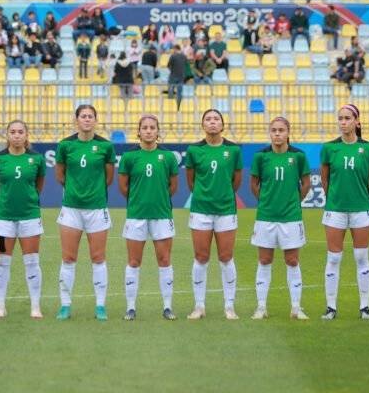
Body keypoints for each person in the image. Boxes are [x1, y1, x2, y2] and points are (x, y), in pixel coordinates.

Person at [55, 105, 116, 321]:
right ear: (76, 120)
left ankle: (100, 305)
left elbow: (109, 178)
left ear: (96, 120)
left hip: (97, 209)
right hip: (71, 209)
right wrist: (76, 192)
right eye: (83, 116)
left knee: (98, 257)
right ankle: (65, 305)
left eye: (91, 116)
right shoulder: (65, 145)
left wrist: (93, 193)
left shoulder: (105, 146)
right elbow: (60, 175)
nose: (87, 120)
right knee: (68, 257)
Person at [182, 110, 242, 320]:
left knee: (226, 257)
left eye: (216, 119)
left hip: (226, 210)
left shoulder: (233, 150)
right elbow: (191, 181)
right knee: (201, 257)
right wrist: (204, 195)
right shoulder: (194, 150)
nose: (212, 122)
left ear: (222, 124)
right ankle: (199, 306)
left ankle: (229, 306)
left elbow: (236, 180)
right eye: (208, 119)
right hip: (201, 210)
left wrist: (222, 196)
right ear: (203, 125)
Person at [118, 115, 179, 321]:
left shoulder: (168, 157)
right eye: (145, 127)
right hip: (136, 216)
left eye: (152, 127)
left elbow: (173, 187)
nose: (149, 131)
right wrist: (140, 200)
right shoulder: (129, 157)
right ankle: (130, 307)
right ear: (139, 131)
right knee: (134, 261)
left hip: (162, 215)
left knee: (164, 260)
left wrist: (157, 200)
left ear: (158, 131)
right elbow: (123, 187)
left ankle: (167, 307)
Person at [250, 117, 311, 320]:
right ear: (270, 132)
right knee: (264, 260)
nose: (277, 134)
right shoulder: (261, 156)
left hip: (291, 217)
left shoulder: (298, 156)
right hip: (266, 216)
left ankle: (296, 307)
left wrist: (293, 201)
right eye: (274, 130)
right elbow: (254, 185)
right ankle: (261, 307)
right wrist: (267, 202)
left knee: (292, 260)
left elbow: (306, 183)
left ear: (288, 132)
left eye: (281, 130)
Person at [320, 104, 369, 320]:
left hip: (361, 209)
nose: (343, 122)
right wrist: (333, 198)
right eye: (340, 118)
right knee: (333, 258)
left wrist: (360, 197)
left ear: (357, 121)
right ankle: (331, 307)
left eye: (347, 118)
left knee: (362, 256)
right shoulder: (329, 148)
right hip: (335, 210)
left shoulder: (368, 149)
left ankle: (365, 307)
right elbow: (325, 179)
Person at [0, 121, 46, 319]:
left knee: (32, 261)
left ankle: (35, 306)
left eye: (20, 132)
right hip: (4, 219)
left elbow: (39, 185)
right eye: (12, 132)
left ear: (26, 135)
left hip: (30, 216)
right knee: (2, 262)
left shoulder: (36, 159)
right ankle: (0, 306)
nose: (16, 135)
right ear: (7, 135)